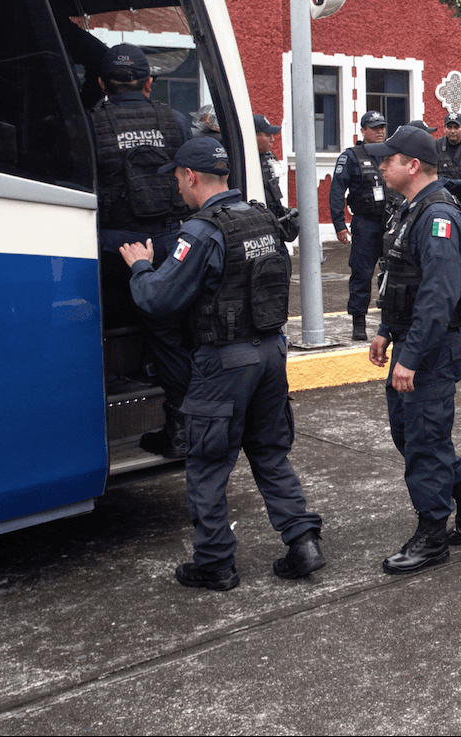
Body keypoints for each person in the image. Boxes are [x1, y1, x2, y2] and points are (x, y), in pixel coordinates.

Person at [118, 137, 325, 591]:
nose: (176, 187)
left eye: (176, 178)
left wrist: (140, 266)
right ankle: (303, 542)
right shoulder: (262, 219)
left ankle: (214, 563)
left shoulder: (202, 231)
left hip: (225, 361)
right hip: (271, 353)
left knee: (208, 463)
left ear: (191, 177)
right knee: (270, 453)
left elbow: (158, 299)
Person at [356, 125, 461, 573]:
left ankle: (432, 534)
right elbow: (399, 279)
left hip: (431, 350)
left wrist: (411, 355)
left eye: (388, 159)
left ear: (412, 165)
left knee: (424, 440)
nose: (381, 165)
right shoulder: (411, 209)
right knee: (410, 435)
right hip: (411, 340)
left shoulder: (438, 216)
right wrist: (385, 330)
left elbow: (437, 299)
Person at [91, 43, 195, 459]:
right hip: (168, 244)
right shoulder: (176, 121)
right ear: (150, 83)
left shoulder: (89, 124)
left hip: (113, 247)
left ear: (101, 84)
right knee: (169, 335)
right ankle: (181, 426)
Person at [329, 110, 400, 341]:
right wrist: (339, 224)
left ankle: (392, 319)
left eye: (382, 127)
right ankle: (358, 321)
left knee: (396, 272)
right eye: (374, 127)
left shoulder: (391, 154)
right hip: (366, 224)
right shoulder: (351, 156)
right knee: (361, 273)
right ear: (363, 131)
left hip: (390, 223)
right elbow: (337, 191)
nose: (380, 131)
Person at [254, 114, 298, 243]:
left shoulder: (268, 156)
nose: (272, 139)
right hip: (258, 224)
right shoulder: (243, 161)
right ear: (254, 136)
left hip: (273, 219)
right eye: (267, 135)